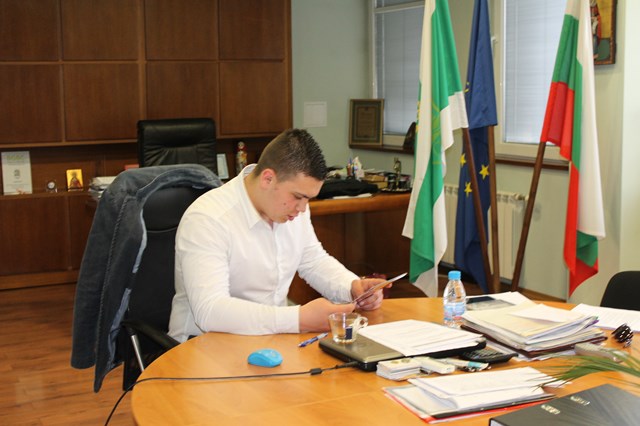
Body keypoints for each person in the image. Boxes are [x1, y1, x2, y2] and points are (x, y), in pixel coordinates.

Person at [168, 128, 387, 342]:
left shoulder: (293, 208)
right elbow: (210, 311)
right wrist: (298, 319)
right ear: (267, 179)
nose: (303, 208)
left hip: (270, 338)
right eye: (298, 197)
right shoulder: (208, 219)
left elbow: (313, 260)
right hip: (204, 345)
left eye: (308, 199)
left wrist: (351, 286)